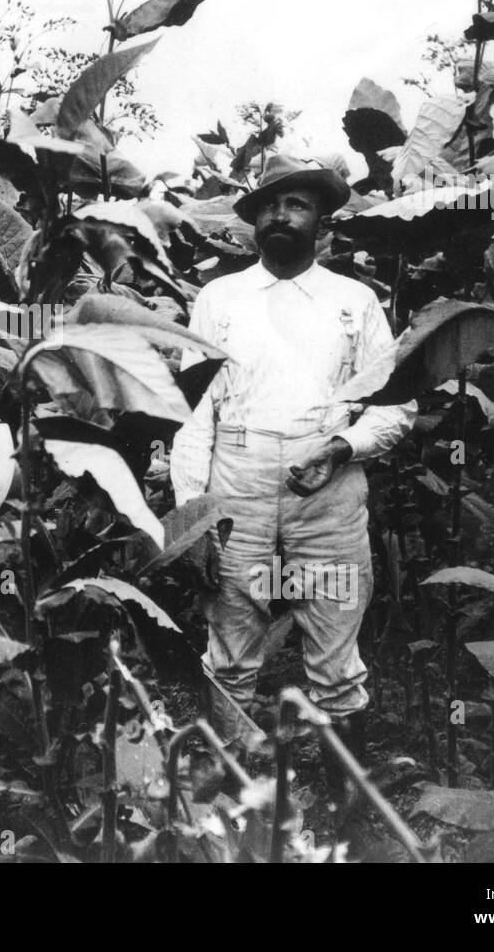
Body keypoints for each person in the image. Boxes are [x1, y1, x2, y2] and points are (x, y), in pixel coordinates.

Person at [170, 154, 416, 771]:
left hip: (326, 483)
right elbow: (192, 416)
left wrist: (342, 448)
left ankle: (346, 812)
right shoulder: (220, 298)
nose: (281, 216)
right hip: (237, 482)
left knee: (336, 651)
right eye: (269, 207)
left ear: (323, 223)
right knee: (229, 649)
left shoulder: (355, 302)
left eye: (297, 204)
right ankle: (232, 803)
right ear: (253, 223)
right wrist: (192, 519)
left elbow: (396, 407)